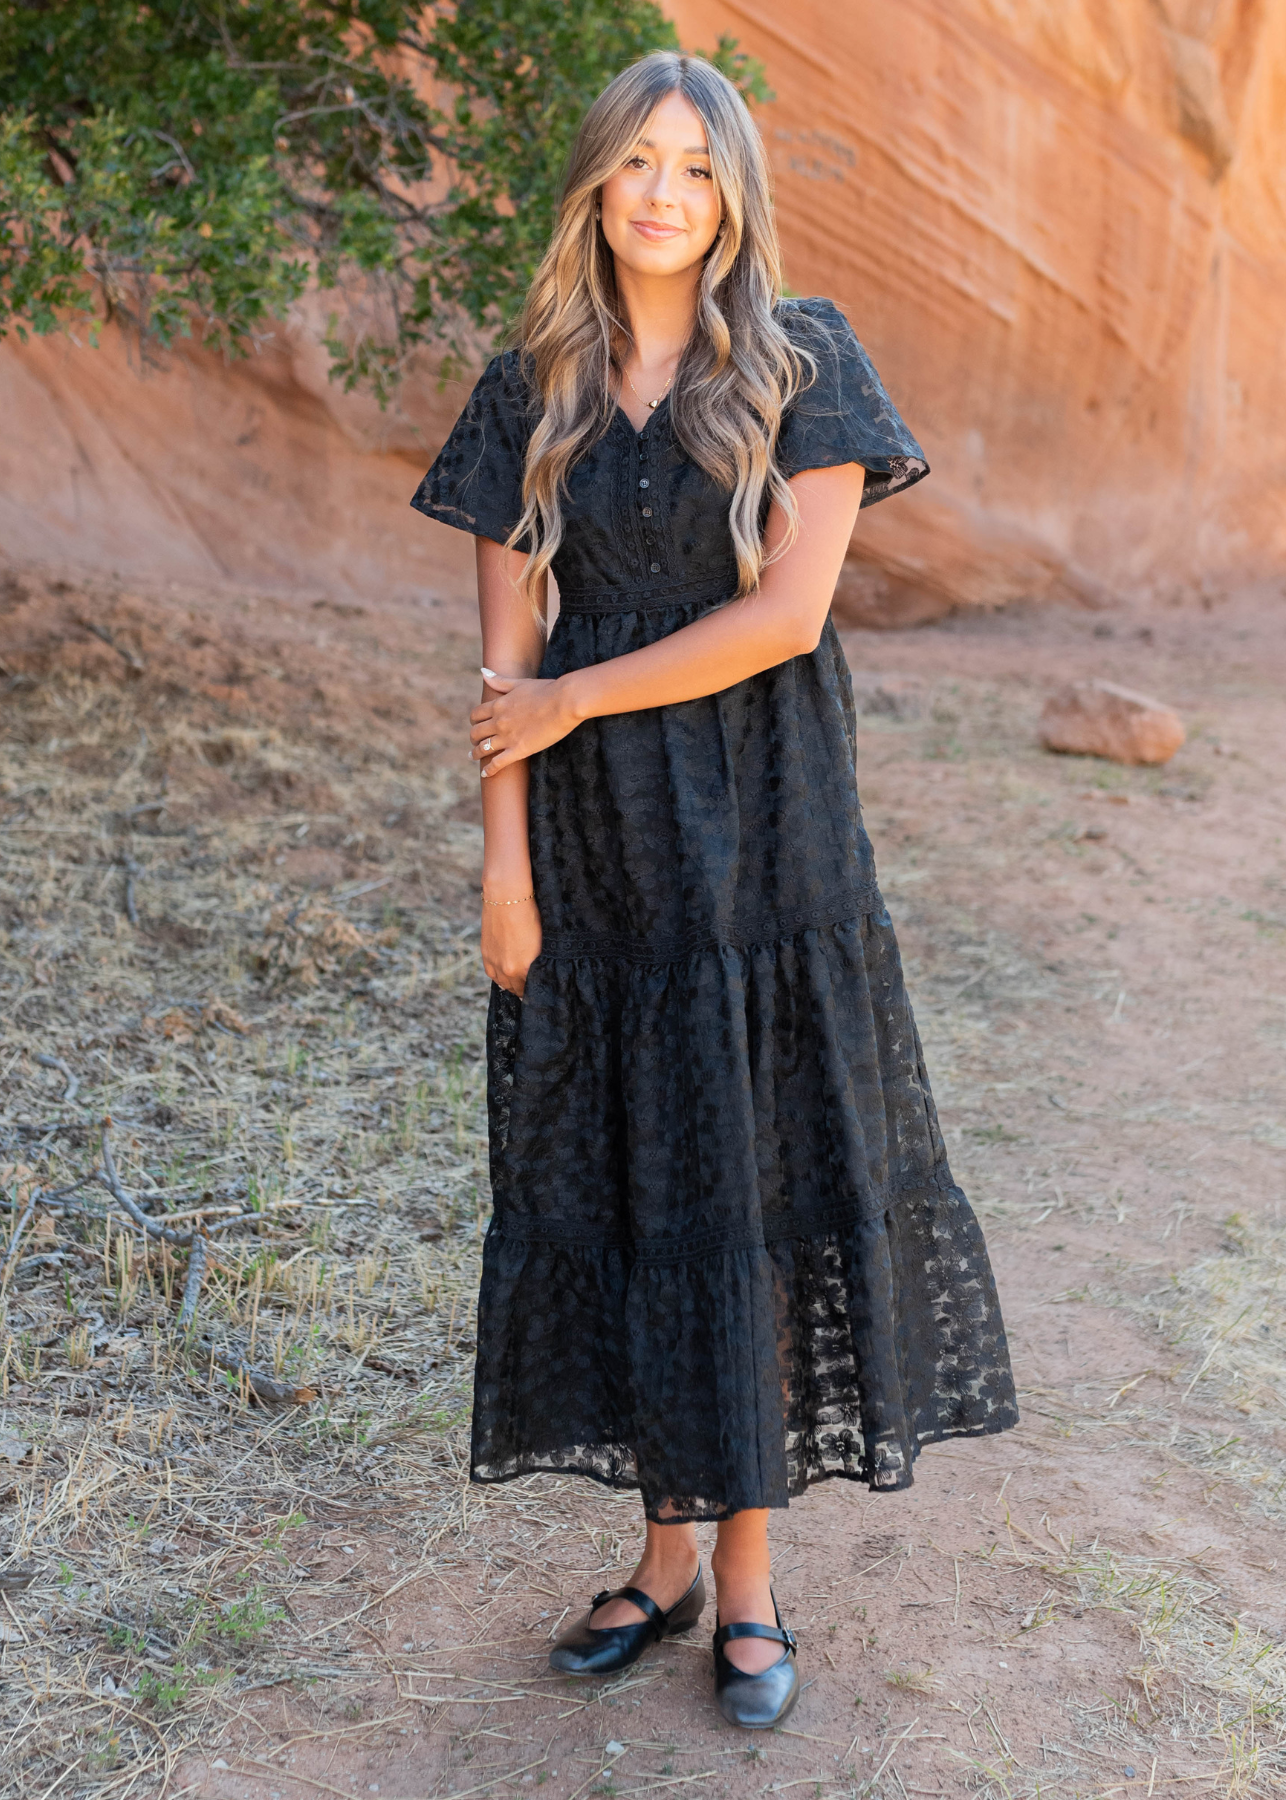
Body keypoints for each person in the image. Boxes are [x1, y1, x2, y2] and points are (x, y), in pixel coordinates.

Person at [411, 50, 1017, 1730]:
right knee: (631, 1191)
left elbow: (787, 619)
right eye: (637, 163)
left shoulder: (800, 360)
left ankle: (746, 1584)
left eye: (697, 164)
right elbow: (501, 657)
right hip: (596, 856)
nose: (666, 191)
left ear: (733, 191)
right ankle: (664, 1552)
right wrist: (505, 868)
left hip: (764, 848)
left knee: (743, 1194)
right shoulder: (528, 381)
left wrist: (570, 701)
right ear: (595, 187)